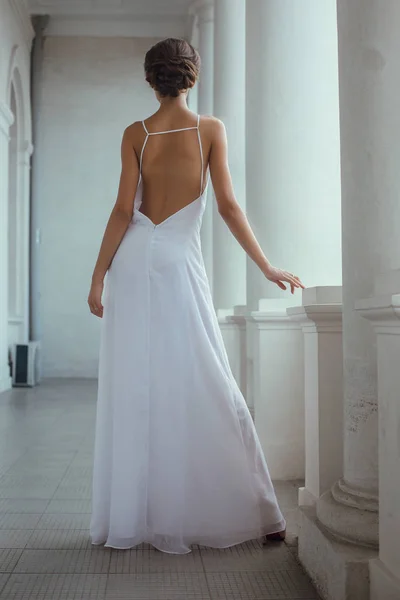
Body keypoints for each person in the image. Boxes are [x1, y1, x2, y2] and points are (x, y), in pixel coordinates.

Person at [87, 38, 304, 555]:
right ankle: (261, 513)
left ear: (150, 79)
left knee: (138, 385)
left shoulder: (135, 133)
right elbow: (228, 205)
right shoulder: (209, 129)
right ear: (193, 76)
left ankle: (139, 513)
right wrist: (267, 265)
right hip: (178, 263)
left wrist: (97, 277)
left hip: (134, 263)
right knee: (207, 377)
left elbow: (122, 211)